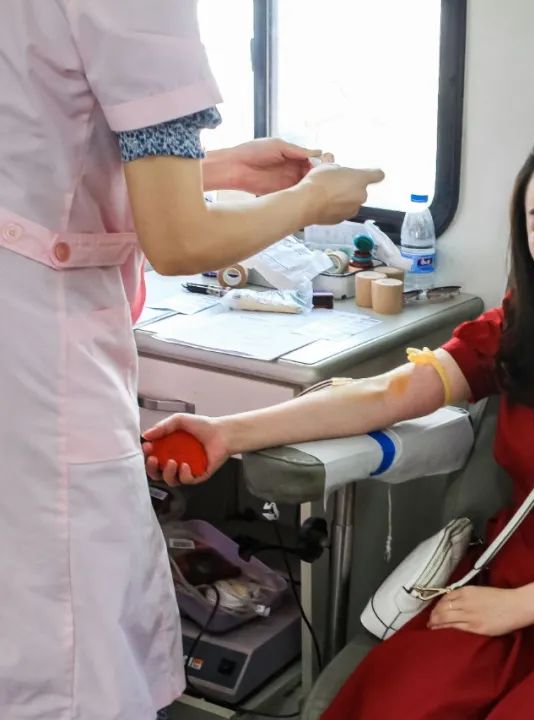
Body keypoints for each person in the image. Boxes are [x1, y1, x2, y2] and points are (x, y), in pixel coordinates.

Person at [145, 123, 534, 719]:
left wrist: (518, 608)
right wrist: (230, 432)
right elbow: (389, 394)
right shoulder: (525, 330)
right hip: (511, 567)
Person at [0, 2, 383, 719]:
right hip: (36, 359)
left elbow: (48, 155)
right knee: (71, 649)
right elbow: (178, 239)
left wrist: (218, 168)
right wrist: (312, 201)